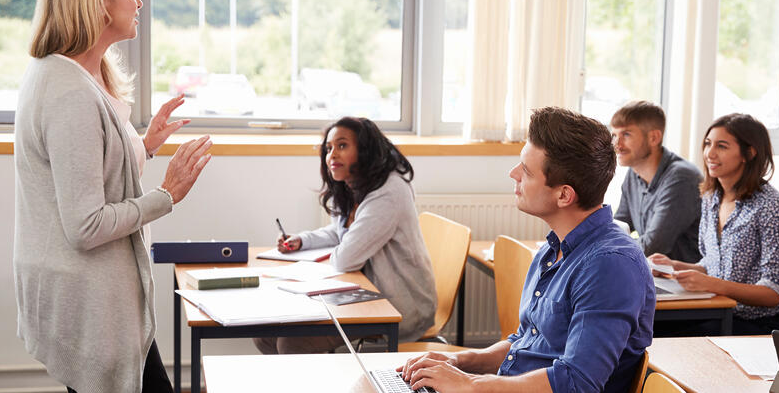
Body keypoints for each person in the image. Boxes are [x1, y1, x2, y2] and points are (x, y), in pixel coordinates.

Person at [13, 0, 212, 391]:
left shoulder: (74, 74)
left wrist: (146, 144)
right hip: (88, 303)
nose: (139, 3)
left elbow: (92, 170)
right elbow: (85, 225)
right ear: (99, 0)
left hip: (96, 300)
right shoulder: (69, 92)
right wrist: (167, 194)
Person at [399, 107, 654, 393]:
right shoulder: (553, 249)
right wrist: (460, 361)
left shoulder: (610, 266)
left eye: (527, 171)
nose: (513, 173)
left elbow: (577, 382)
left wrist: (471, 385)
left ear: (564, 195)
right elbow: (527, 341)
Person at [254, 117, 436, 354]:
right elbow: (342, 233)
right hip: (365, 293)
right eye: (328, 148)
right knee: (264, 334)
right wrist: (302, 240)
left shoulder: (389, 192)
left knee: (293, 342)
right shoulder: (357, 184)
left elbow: (345, 258)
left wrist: (339, 248)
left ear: (365, 150)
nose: (332, 155)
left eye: (342, 146)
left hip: (399, 305)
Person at [649, 113, 779, 335]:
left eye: (722, 146)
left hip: (759, 323)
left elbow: (773, 293)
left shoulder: (770, 206)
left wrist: (711, 284)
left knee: (656, 331)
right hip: (719, 312)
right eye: (708, 144)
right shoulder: (711, 198)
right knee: (643, 324)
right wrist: (676, 266)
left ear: (749, 153)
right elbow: (714, 265)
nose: (710, 153)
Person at [611, 100, 703, 262]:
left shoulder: (681, 177)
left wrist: (606, 250)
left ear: (654, 138)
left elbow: (652, 247)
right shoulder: (634, 173)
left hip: (681, 282)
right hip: (655, 276)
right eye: (614, 135)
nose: (617, 144)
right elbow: (618, 227)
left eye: (626, 135)